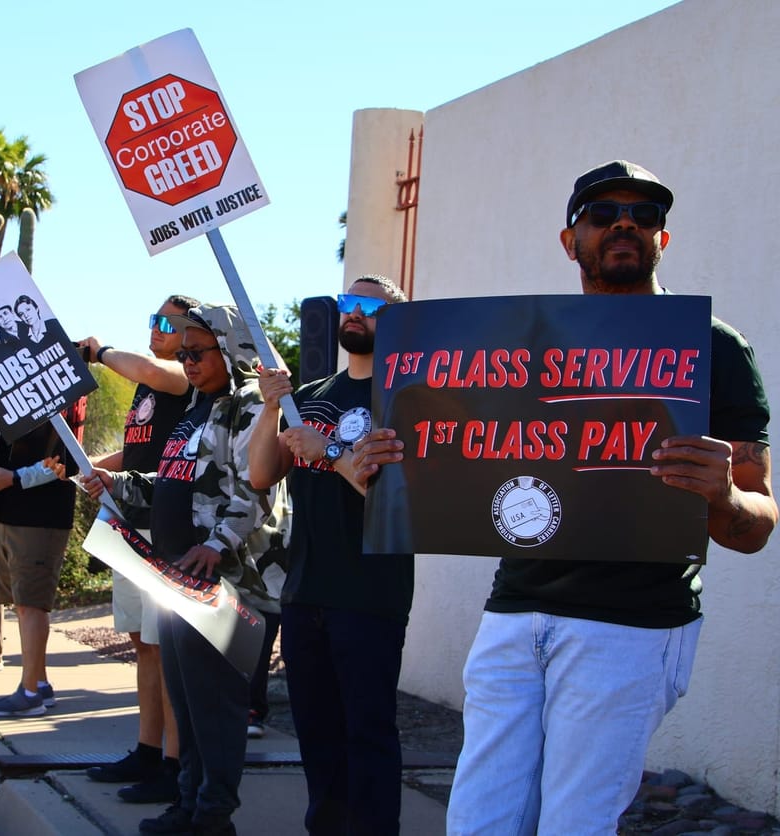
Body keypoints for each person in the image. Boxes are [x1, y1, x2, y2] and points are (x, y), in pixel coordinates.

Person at [350, 161, 776, 835]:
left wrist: (724, 494)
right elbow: (460, 461)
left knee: (575, 822)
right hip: (515, 609)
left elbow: (757, 522)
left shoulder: (713, 347)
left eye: (644, 215)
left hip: (631, 622)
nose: (625, 224)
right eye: (603, 214)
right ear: (569, 239)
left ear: (662, 239)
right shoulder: (520, 342)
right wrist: (384, 466)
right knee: (479, 821)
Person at [82, 304, 287, 836]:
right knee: (188, 702)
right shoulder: (197, 407)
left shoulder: (250, 405)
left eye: (198, 352)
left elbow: (258, 488)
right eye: (185, 353)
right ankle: (189, 804)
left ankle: (213, 817)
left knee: (215, 707)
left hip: (223, 582)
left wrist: (217, 544)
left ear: (230, 349)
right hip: (174, 578)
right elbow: (173, 480)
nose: (188, 362)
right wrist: (119, 484)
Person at [249, 275, 413, 834]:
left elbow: (399, 499)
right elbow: (260, 474)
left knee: (368, 733)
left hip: (369, 593)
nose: (355, 312)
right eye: (349, 302)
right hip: (305, 592)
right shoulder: (311, 396)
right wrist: (272, 409)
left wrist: (331, 449)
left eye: (370, 305)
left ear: (397, 321)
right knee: (317, 735)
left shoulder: (405, 398)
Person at [77, 294, 198, 805]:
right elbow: (137, 450)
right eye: (154, 320)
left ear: (190, 335)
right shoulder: (150, 387)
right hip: (129, 521)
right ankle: (148, 751)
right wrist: (90, 466)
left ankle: (175, 763)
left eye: (168, 324)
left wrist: (99, 352)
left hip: (162, 527)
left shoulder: (179, 376)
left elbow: (147, 368)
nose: (156, 329)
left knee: (164, 648)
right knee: (142, 644)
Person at [0, 414, 78, 717]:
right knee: (23, 605)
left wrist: (14, 478)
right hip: (8, 515)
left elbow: (64, 463)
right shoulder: (8, 406)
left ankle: (30, 692)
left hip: (40, 519)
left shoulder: (61, 405)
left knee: (31, 604)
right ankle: (39, 683)